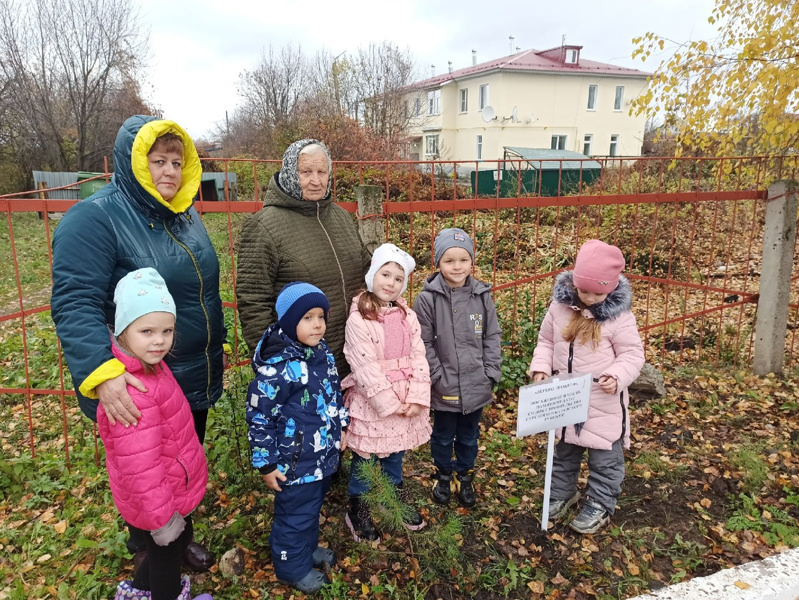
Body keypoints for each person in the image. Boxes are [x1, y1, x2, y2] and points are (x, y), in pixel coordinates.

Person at [51, 115, 224, 570]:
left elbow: (196, 291)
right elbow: (75, 302)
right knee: (144, 466)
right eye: (157, 161)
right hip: (134, 385)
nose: (168, 171)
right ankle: (151, 557)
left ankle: (179, 536)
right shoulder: (95, 218)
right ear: (133, 164)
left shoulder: (182, 215)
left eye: (176, 161)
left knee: (181, 460)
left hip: (187, 371)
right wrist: (102, 375)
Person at [101, 269, 212, 600]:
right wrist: (163, 520)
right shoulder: (132, 392)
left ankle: (137, 592)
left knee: (165, 552)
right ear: (122, 332)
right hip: (158, 506)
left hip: (171, 494)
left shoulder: (151, 368)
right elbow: (140, 469)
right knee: (166, 559)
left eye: (167, 330)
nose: (159, 340)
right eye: (146, 330)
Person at [529, 239, 645, 534]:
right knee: (565, 453)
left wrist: (618, 376)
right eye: (584, 291)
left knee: (605, 458)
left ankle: (601, 502)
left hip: (602, 400)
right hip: (565, 397)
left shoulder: (620, 317)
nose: (590, 297)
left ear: (610, 287)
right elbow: (545, 341)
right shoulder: (559, 308)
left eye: (598, 292)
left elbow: (632, 354)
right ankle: (562, 494)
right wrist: (541, 367)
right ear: (575, 282)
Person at [236, 139, 372, 378]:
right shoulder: (264, 225)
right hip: (302, 365)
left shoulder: (340, 217)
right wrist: (275, 362)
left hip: (356, 357)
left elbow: (364, 269)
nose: (316, 180)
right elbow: (253, 301)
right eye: (306, 172)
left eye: (322, 172)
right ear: (290, 172)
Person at [246, 282, 348, 594]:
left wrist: (341, 426)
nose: (318, 324)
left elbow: (334, 393)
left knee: (311, 508)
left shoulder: (322, 353)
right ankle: (291, 567)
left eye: (321, 316)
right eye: (307, 318)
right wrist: (266, 464)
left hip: (322, 456)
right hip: (294, 463)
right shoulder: (278, 369)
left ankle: (306, 549)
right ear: (290, 322)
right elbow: (259, 417)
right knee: (294, 516)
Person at [340, 243, 432, 542]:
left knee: (395, 452)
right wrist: (389, 402)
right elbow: (364, 365)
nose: (391, 283)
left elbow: (419, 357)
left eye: (398, 279)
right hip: (374, 403)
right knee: (366, 457)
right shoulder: (359, 319)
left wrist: (416, 397)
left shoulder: (409, 316)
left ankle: (393, 496)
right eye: (386, 275)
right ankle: (359, 505)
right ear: (372, 275)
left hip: (406, 399)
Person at [414, 228, 502, 508]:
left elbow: (492, 335)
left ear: (471, 262)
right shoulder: (427, 299)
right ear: (438, 262)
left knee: (468, 436)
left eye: (463, 260)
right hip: (445, 385)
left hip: (476, 383)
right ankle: (442, 474)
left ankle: (464, 475)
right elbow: (423, 342)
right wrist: (437, 376)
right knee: (442, 435)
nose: (457, 266)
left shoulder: (481, 295)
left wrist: (491, 372)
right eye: (449, 260)